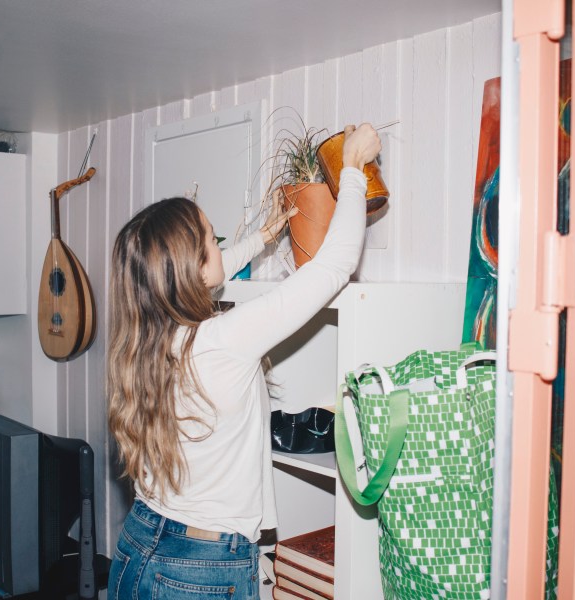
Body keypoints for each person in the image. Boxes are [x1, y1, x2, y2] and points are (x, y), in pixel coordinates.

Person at [106, 123, 382, 599]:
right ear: (191, 266)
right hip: (199, 571)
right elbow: (334, 266)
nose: (219, 244)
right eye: (212, 237)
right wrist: (353, 168)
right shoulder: (222, 341)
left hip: (136, 548)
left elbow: (203, 273)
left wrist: (261, 239)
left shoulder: (147, 342)